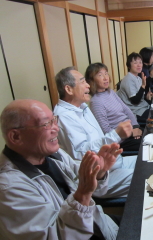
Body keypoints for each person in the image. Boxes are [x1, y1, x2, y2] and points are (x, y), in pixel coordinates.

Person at [0, 99, 121, 239]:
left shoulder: (54, 155)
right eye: (46, 124)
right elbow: (53, 236)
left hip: (101, 224)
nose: (56, 128)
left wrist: (97, 173)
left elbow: (92, 187)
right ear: (16, 136)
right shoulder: (9, 187)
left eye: (54, 120)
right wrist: (83, 194)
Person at [54, 66, 135, 198]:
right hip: (98, 177)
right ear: (68, 89)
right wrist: (116, 134)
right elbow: (82, 153)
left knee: (150, 160)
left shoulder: (82, 106)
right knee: (146, 176)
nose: (88, 86)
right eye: (83, 82)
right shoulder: (63, 116)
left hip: (113, 163)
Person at [85, 62, 142, 152]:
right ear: (92, 80)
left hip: (131, 130)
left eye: (106, 73)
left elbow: (126, 109)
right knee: (150, 145)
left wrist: (135, 126)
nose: (105, 78)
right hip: (121, 141)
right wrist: (131, 133)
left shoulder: (110, 92)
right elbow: (106, 131)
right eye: (100, 75)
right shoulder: (96, 102)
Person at [117, 52, 152, 123]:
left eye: (140, 62)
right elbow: (135, 100)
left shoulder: (138, 78)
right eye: (135, 63)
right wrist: (143, 86)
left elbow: (141, 97)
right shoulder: (128, 79)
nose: (139, 65)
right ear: (129, 65)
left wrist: (148, 98)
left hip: (143, 107)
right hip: (136, 112)